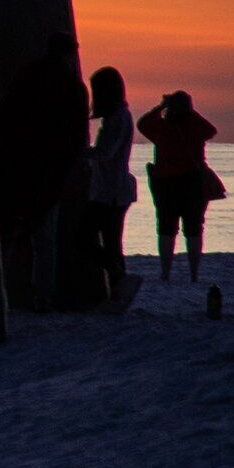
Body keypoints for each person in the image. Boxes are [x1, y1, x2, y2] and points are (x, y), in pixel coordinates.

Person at [2, 31, 94, 307]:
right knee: (45, 238)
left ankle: (4, 294)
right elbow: (79, 134)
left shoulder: (26, 75)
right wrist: (74, 167)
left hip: (18, 164)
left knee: (10, 232)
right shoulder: (72, 86)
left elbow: (7, 115)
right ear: (70, 53)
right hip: (50, 170)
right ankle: (43, 296)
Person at [139, 88, 221, 283]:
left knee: (166, 228)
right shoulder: (194, 125)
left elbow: (142, 124)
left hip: (165, 183)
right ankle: (193, 273)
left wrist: (161, 107)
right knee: (193, 228)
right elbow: (211, 130)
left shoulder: (161, 127)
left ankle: (165, 272)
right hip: (192, 182)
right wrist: (191, 113)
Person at [81, 66, 138, 296]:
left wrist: (80, 152)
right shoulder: (121, 116)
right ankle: (118, 285)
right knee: (112, 243)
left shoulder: (116, 119)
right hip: (114, 190)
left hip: (111, 192)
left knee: (85, 236)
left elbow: (105, 152)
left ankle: (118, 278)